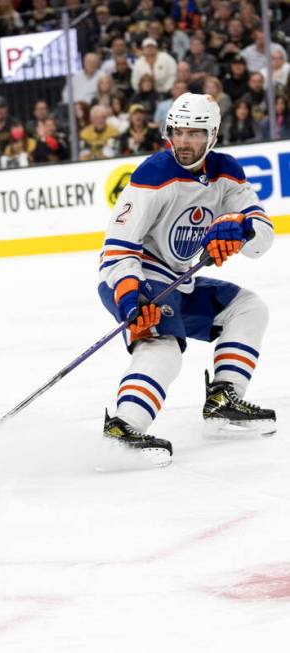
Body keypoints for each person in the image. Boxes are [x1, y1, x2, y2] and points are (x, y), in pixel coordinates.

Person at [97, 93, 276, 467]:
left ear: (212, 135)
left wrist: (240, 229)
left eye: (194, 133)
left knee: (248, 308)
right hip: (137, 279)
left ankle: (223, 399)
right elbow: (116, 248)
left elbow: (263, 234)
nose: (184, 142)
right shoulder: (153, 174)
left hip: (180, 282)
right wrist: (130, 295)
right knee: (163, 345)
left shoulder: (226, 173)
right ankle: (124, 427)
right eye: (178, 132)